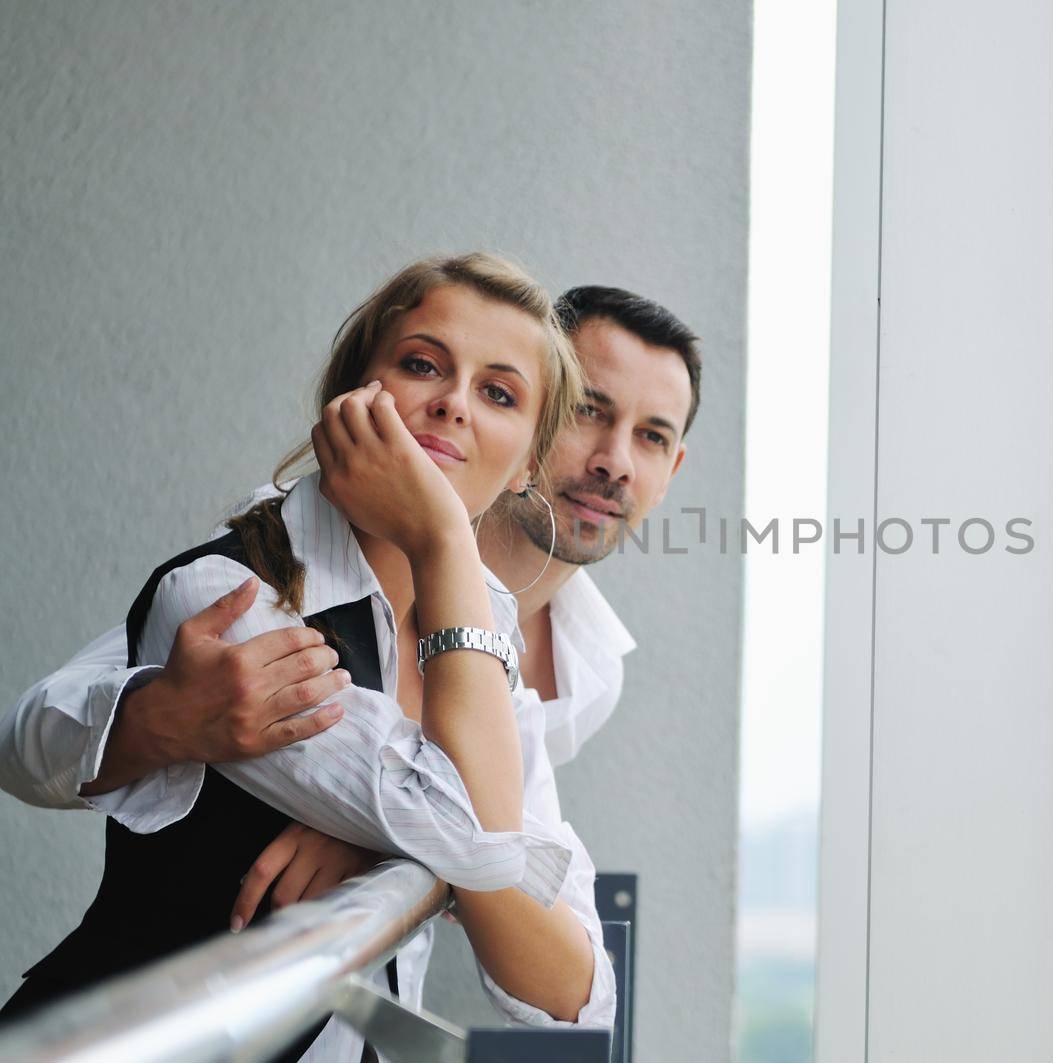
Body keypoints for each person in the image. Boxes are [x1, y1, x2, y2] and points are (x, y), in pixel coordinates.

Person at [0, 253, 617, 1061]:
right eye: (422, 364)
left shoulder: (485, 649)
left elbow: (574, 991)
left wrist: (393, 853)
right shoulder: (227, 595)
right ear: (352, 393)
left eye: (498, 393)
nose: (452, 404)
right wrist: (438, 538)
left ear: (529, 461)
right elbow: (480, 843)